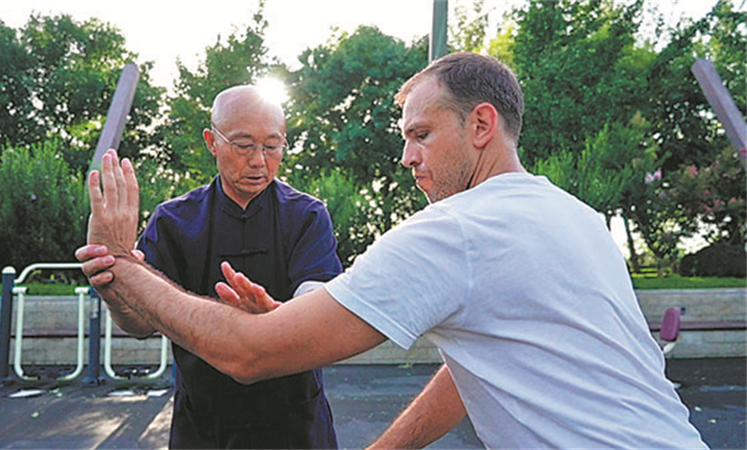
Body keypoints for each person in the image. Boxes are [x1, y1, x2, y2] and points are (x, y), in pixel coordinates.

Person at [79, 52, 708, 449]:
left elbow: (250, 354)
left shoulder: (453, 232)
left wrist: (122, 265)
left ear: (481, 126)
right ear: (213, 142)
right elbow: (482, 364)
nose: (406, 156)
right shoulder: (578, 218)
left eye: (421, 135)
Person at [87, 85, 342, 449]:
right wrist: (114, 288)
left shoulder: (306, 215)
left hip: (295, 424)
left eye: (272, 146)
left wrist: (283, 317)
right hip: (203, 427)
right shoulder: (174, 221)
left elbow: (317, 298)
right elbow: (140, 324)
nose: (259, 160)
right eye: (243, 145)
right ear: (212, 141)